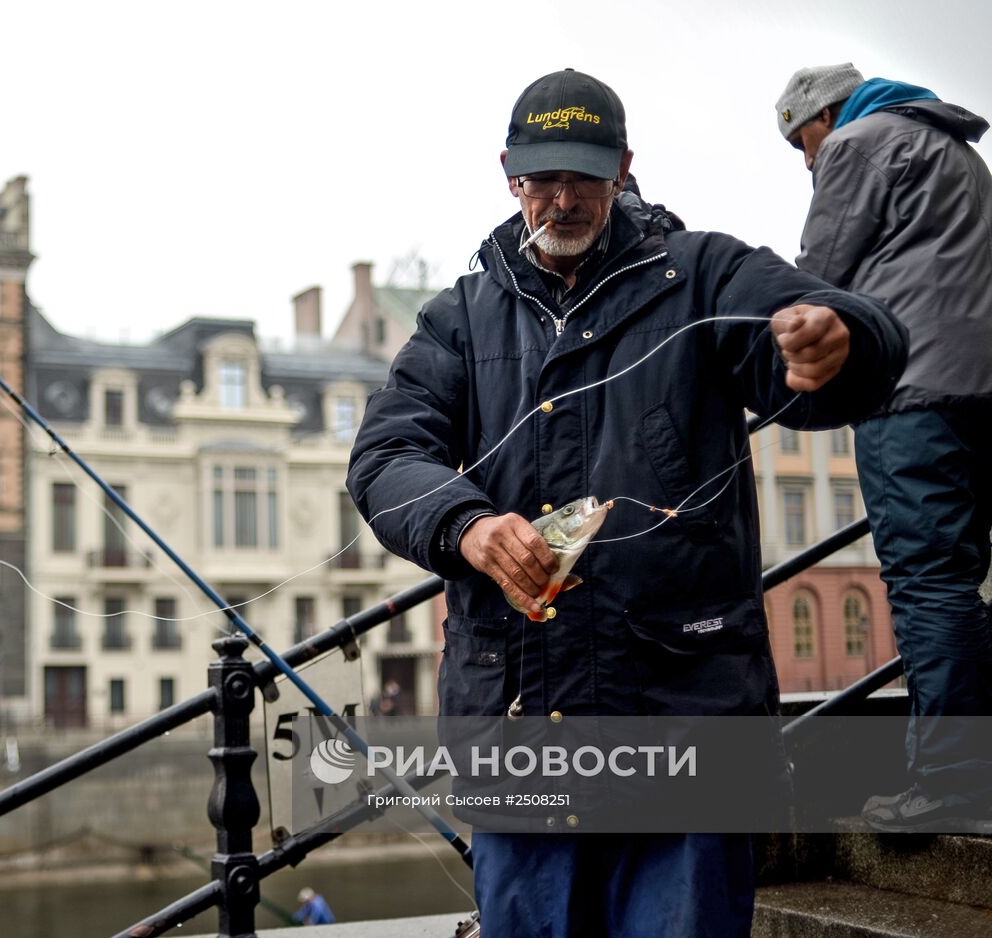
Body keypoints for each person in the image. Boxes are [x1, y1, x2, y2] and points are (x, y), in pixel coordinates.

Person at [347, 68, 907, 937]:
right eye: (543, 178)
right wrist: (468, 527)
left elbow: (847, 332)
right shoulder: (457, 317)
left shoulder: (708, 272)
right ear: (509, 174)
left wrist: (841, 341)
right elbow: (386, 456)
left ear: (624, 169)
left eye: (584, 176)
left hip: (687, 723)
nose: (562, 200)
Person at [776, 64, 992, 831]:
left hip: (913, 392)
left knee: (928, 583)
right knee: (963, 585)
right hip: (978, 389)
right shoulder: (956, 152)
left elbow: (818, 280)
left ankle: (951, 785)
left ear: (825, 116)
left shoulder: (860, 143)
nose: (806, 161)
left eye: (802, 141)